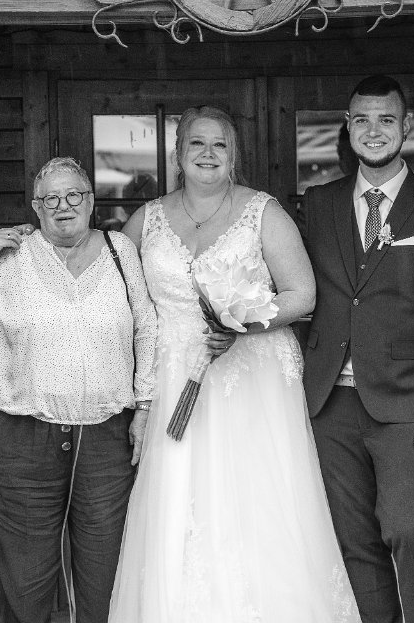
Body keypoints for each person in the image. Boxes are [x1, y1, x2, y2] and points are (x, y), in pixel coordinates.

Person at [109, 106, 361, 622]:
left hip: (251, 380)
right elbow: (116, 298)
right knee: (179, 504)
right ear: (178, 154)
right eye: (196, 143)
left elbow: (302, 294)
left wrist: (245, 320)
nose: (208, 154)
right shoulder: (146, 220)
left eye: (219, 144)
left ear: (234, 155)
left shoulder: (263, 213)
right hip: (174, 378)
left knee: (255, 502)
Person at [0, 157, 157, 623]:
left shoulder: (120, 250)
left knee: (104, 572)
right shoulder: (10, 257)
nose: (64, 206)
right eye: (51, 199)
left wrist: (144, 406)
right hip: (23, 441)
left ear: (91, 201)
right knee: (26, 578)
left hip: (106, 438)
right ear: (36, 207)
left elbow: (146, 328)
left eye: (74, 195)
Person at [301, 75, 414, 623]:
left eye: (386, 120)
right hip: (329, 403)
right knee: (355, 541)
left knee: (408, 527)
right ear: (348, 127)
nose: (374, 131)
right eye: (363, 120)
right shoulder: (318, 204)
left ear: (406, 127)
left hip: (403, 404)